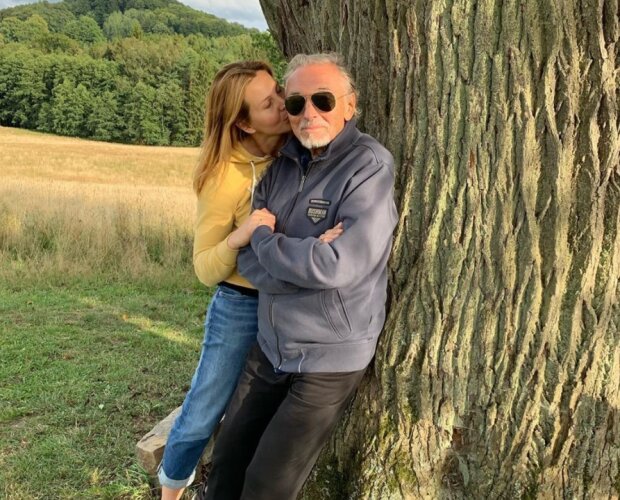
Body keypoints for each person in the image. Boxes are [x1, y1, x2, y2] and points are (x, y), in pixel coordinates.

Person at [203, 52, 398, 500]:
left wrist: (266, 239)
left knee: (266, 484)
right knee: (227, 460)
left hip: (329, 355)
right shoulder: (282, 166)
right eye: (295, 103)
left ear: (350, 105)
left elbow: (338, 265)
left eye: (323, 100)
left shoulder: (368, 167)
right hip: (271, 344)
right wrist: (304, 255)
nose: (309, 113)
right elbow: (248, 261)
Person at [156, 60, 292, 500]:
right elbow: (205, 268)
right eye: (268, 104)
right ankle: (171, 492)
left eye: (279, 90)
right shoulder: (224, 177)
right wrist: (240, 234)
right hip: (240, 305)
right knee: (205, 406)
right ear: (244, 123)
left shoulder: (296, 147)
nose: (283, 104)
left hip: (292, 304)